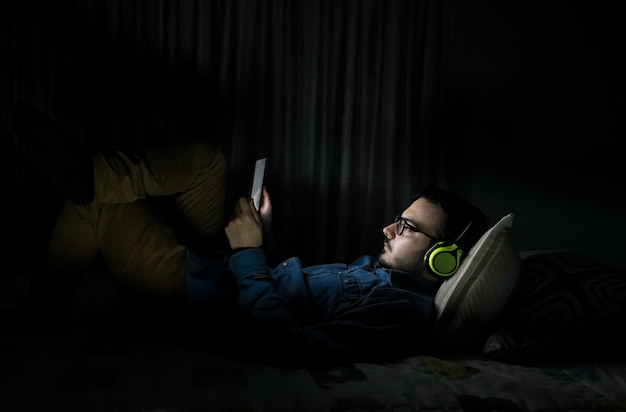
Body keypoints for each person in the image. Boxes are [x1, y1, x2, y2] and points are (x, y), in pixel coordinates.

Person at [9, 100, 489, 367]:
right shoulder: (378, 276)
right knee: (206, 161)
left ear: (442, 258)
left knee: (103, 209)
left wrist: (247, 254)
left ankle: (48, 295)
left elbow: (286, 345)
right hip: (225, 267)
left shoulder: (400, 312)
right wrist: (265, 237)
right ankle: (90, 175)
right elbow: (293, 288)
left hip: (193, 297)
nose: (387, 228)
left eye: (406, 226)